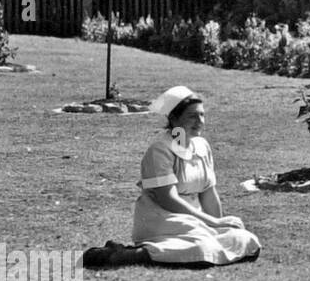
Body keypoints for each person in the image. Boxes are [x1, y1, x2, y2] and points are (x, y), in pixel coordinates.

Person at [84, 87, 262, 268]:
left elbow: (208, 192)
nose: (199, 121)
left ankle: (187, 246)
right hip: (162, 218)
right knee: (202, 247)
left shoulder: (201, 146)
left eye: (202, 115)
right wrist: (212, 223)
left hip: (195, 220)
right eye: (192, 116)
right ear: (174, 119)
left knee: (246, 239)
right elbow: (167, 199)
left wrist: (220, 226)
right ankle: (127, 255)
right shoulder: (161, 149)